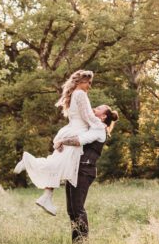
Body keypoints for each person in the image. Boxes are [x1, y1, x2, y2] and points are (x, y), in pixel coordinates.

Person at [13, 70, 108, 215]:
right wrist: (101, 125)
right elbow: (88, 116)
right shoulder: (80, 94)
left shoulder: (74, 94)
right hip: (76, 131)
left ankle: (47, 197)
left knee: (59, 165)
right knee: (57, 165)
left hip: (71, 130)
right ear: (81, 81)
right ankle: (29, 161)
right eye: (89, 82)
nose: (90, 85)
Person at [60, 105, 117, 244]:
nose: (93, 109)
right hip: (75, 170)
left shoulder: (99, 129)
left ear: (103, 116)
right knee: (71, 209)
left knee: (78, 209)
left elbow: (79, 140)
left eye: (97, 109)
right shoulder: (92, 126)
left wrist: (61, 141)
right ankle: (76, 243)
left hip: (84, 171)